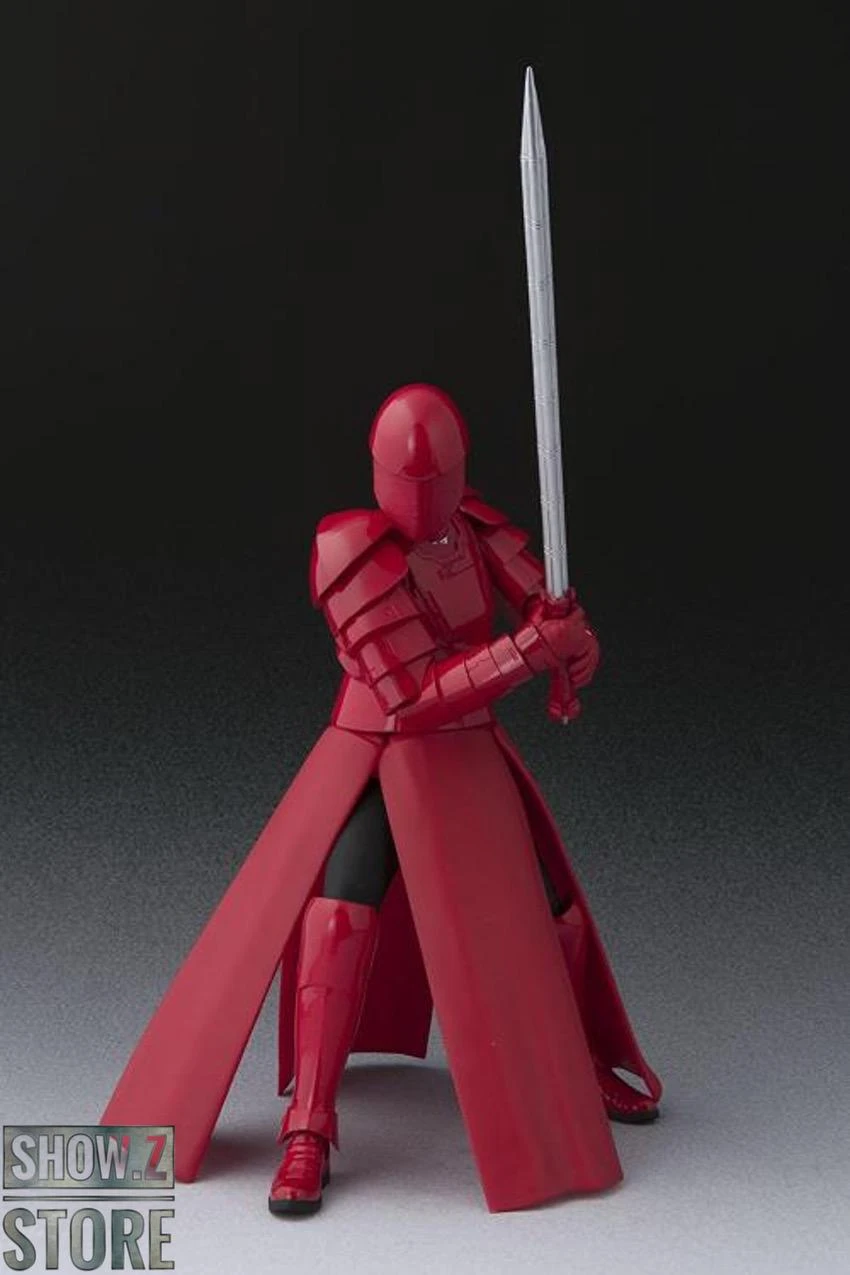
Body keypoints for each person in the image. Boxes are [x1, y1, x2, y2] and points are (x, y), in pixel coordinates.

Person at [102, 384, 661, 1217]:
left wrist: (573, 644)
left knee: (553, 908)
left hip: (467, 757)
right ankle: (308, 1125)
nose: (427, 500)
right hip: (379, 751)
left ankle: (571, 1067)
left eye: (439, 481)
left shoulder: (472, 529)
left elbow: (546, 606)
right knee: (338, 909)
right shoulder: (350, 552)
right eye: (415, 482)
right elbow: (411, 693)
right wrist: (528, 650)